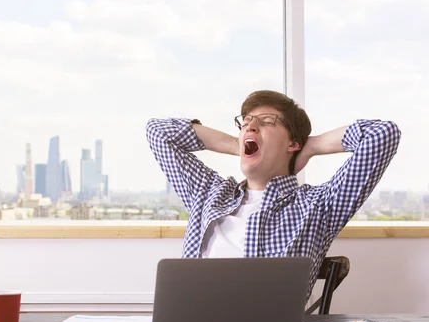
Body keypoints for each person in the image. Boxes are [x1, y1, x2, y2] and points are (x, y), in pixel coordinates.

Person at [146, 90, 401, 301]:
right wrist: (239, 145)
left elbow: (382, 134)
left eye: (266, 121)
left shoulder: (318, 206)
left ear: (293, 144)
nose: (250, 126)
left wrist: (311, 146)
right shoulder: (209, 193)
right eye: (245, 122)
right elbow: (158, 132)